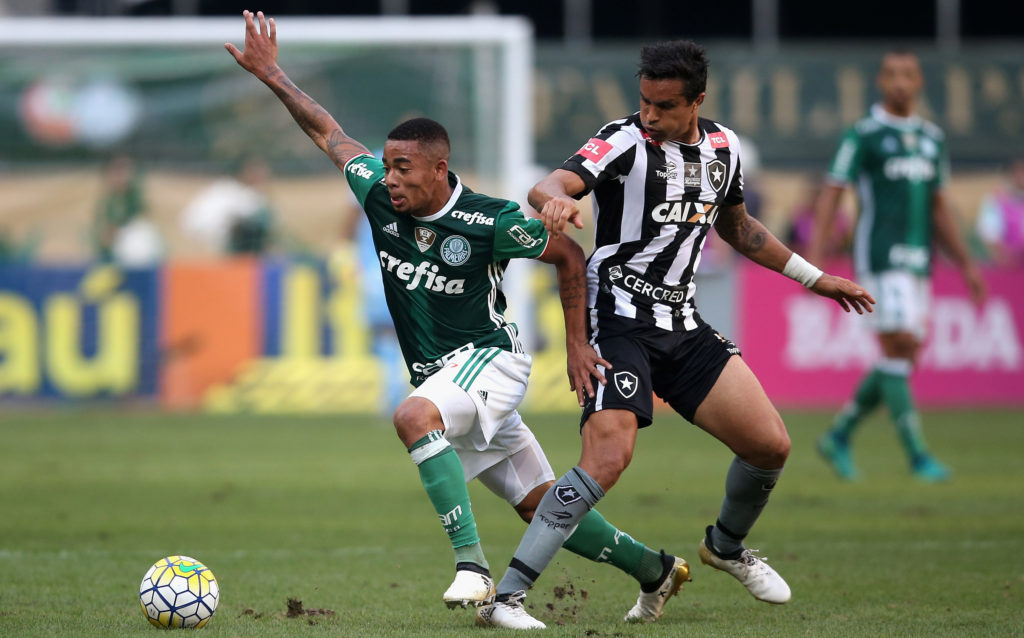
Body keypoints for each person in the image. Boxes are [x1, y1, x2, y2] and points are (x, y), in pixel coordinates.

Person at [226, 10, 692, 629]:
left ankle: (472, 567)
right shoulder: (376, 193)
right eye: (387, 166)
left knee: (412, 416)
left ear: (439, 169)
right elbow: (328, 133)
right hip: (445, 376)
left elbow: (568, 255)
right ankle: (655, 570)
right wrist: (271, 74)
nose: (390, 179)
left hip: (489, 361)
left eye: (404, 168)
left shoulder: (488, 219)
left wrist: (577, 345)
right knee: (539, 504)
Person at [482, 40, 876, 628]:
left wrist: (814, 278)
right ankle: (507, 598)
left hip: (683, 326)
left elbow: (739, 230)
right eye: (644, 101)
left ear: (697, 101)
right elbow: (550, 184)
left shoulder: (725, 149)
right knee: (608, 458)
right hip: (616, 319)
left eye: (664, 106)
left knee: (770, 445)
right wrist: (556, 202)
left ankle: (725, 547)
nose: (650, 114)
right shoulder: (622, 140)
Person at [811, 50, 986, 483]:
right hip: (880, 255)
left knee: (904, 354)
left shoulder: (932, 138)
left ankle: (839, 435)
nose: (900, 82)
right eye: (892, 74)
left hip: (919, 261)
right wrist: (815, 255)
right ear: (880, 82)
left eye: (908, 74)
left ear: (920, 81)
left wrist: (966, 264)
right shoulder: (864, 133)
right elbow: (833, 190)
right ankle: (918, 455)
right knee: (900, 342)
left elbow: (940, 206)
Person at [181, 154, 275, 255]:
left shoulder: (227, 188)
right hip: (217, 246)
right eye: (257, 171)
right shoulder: (232, 192)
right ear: (245, 171)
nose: (263, 176)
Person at [975, 157, 1024, 266]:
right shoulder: (997, 199)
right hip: (1007, 262)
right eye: (1019, 172)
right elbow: (989, 233)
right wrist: (1005, 254)